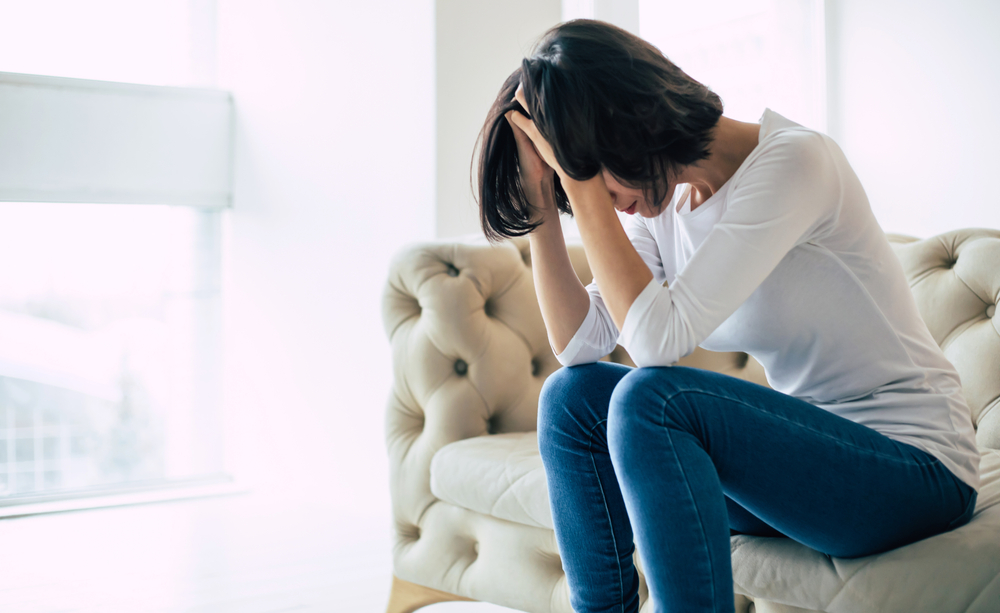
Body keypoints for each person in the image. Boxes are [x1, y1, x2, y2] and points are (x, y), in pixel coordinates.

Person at [472, 18, 981, 613]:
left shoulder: (796, 162)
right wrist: (542, 209)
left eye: (592, 178)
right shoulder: (661, 208)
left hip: (915, 470)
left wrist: (584, 189)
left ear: (624, 125)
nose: (603, 204)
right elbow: (581, 348)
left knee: (650, 399)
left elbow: (657, 346)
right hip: (808, 470)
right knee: (571, 399)